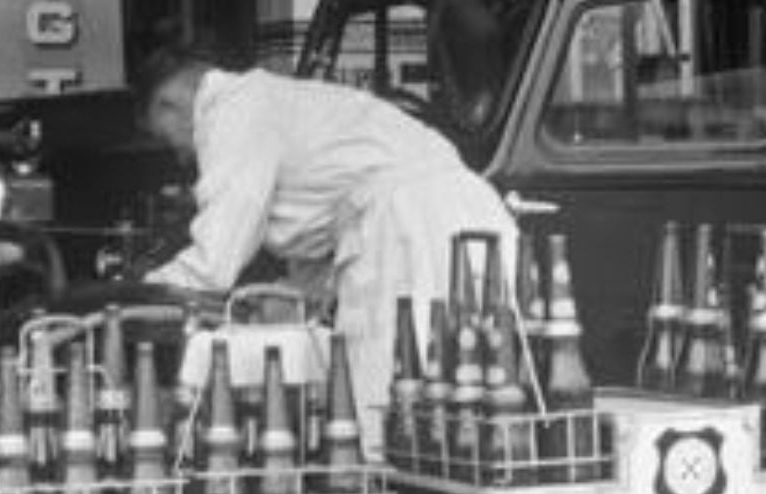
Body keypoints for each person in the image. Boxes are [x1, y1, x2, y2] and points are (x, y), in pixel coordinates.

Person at [135, 49, 519, 452]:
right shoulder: (279, 100)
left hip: (410, 230)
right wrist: (291, 293)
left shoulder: (234, 110)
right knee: (481, 388)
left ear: (170, 104)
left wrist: (144, 292)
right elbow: (331, 222)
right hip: (466, 210)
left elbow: (219, 252)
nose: (181, 156)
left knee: (386, 400)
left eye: (168, 140)